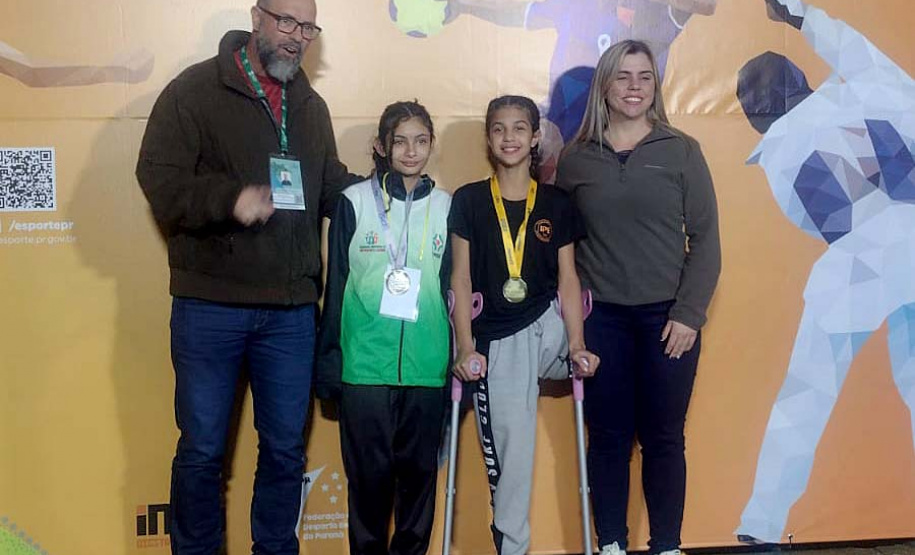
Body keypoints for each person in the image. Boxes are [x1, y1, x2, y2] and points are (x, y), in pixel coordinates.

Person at [135, 0, 356, 553]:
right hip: (211, 305)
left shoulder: (309, 105)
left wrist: (386, 190)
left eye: (307, 27)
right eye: (287, 22)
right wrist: (228, 198)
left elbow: (329, 187)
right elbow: (159, 179)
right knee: (203, 451)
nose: (297, 37)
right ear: (256, 18)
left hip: (291, 312)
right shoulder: (194, 91)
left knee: (285, 451)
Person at [735, 0, 915, 543]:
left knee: (806, 393)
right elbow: (857, 52)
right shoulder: (867, 87)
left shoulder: (777, 157)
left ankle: (760, 528)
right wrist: (802, 16)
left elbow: (812, 221)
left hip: (857, 262)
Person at [556, 40, 721, 555]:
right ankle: (610, 544)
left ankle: (666, 546)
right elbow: (563, 248)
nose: (634, 86)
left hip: (668, 323)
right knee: (607, 440)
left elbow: (708, 240)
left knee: (664, 440)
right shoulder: (577, 158)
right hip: (601, 320)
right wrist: (576, 327)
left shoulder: (682, 151)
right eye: (623, 76)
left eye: (644, 76)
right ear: (605, 84)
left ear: (655, 85)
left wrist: (689, 315)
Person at [449, 94, 600, 555]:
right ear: (488, 139)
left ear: (535, 137)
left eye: (519, 128)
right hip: (500, 339)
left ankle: (610, 536)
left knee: (603, 351)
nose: (509, 137)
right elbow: (460, 277)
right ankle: (514, 547)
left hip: (548, 328)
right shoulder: (471, 200)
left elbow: (570, 278)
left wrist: (577, 344)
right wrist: (464, 348)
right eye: (499, 129)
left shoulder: (555, 202)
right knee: (514, 464)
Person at [314, 100, 452, 555]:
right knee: (368, 487)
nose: (411, 151)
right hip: (363, 371)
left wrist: (454, 360)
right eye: (400, 141)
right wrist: (330, 366)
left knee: (418, 488)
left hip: (427, 371)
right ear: (381, 145)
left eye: (421, 140)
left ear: (431, 144)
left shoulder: (449, 208)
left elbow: (456, 291)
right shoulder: (352, 203)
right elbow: (335, 288)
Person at [388, 0, 717, 183]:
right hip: (565, 150)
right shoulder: (576, 6)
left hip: (629, 156)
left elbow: (705, 4)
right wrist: (460, 6)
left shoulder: (659, 12)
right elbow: (516, 11)